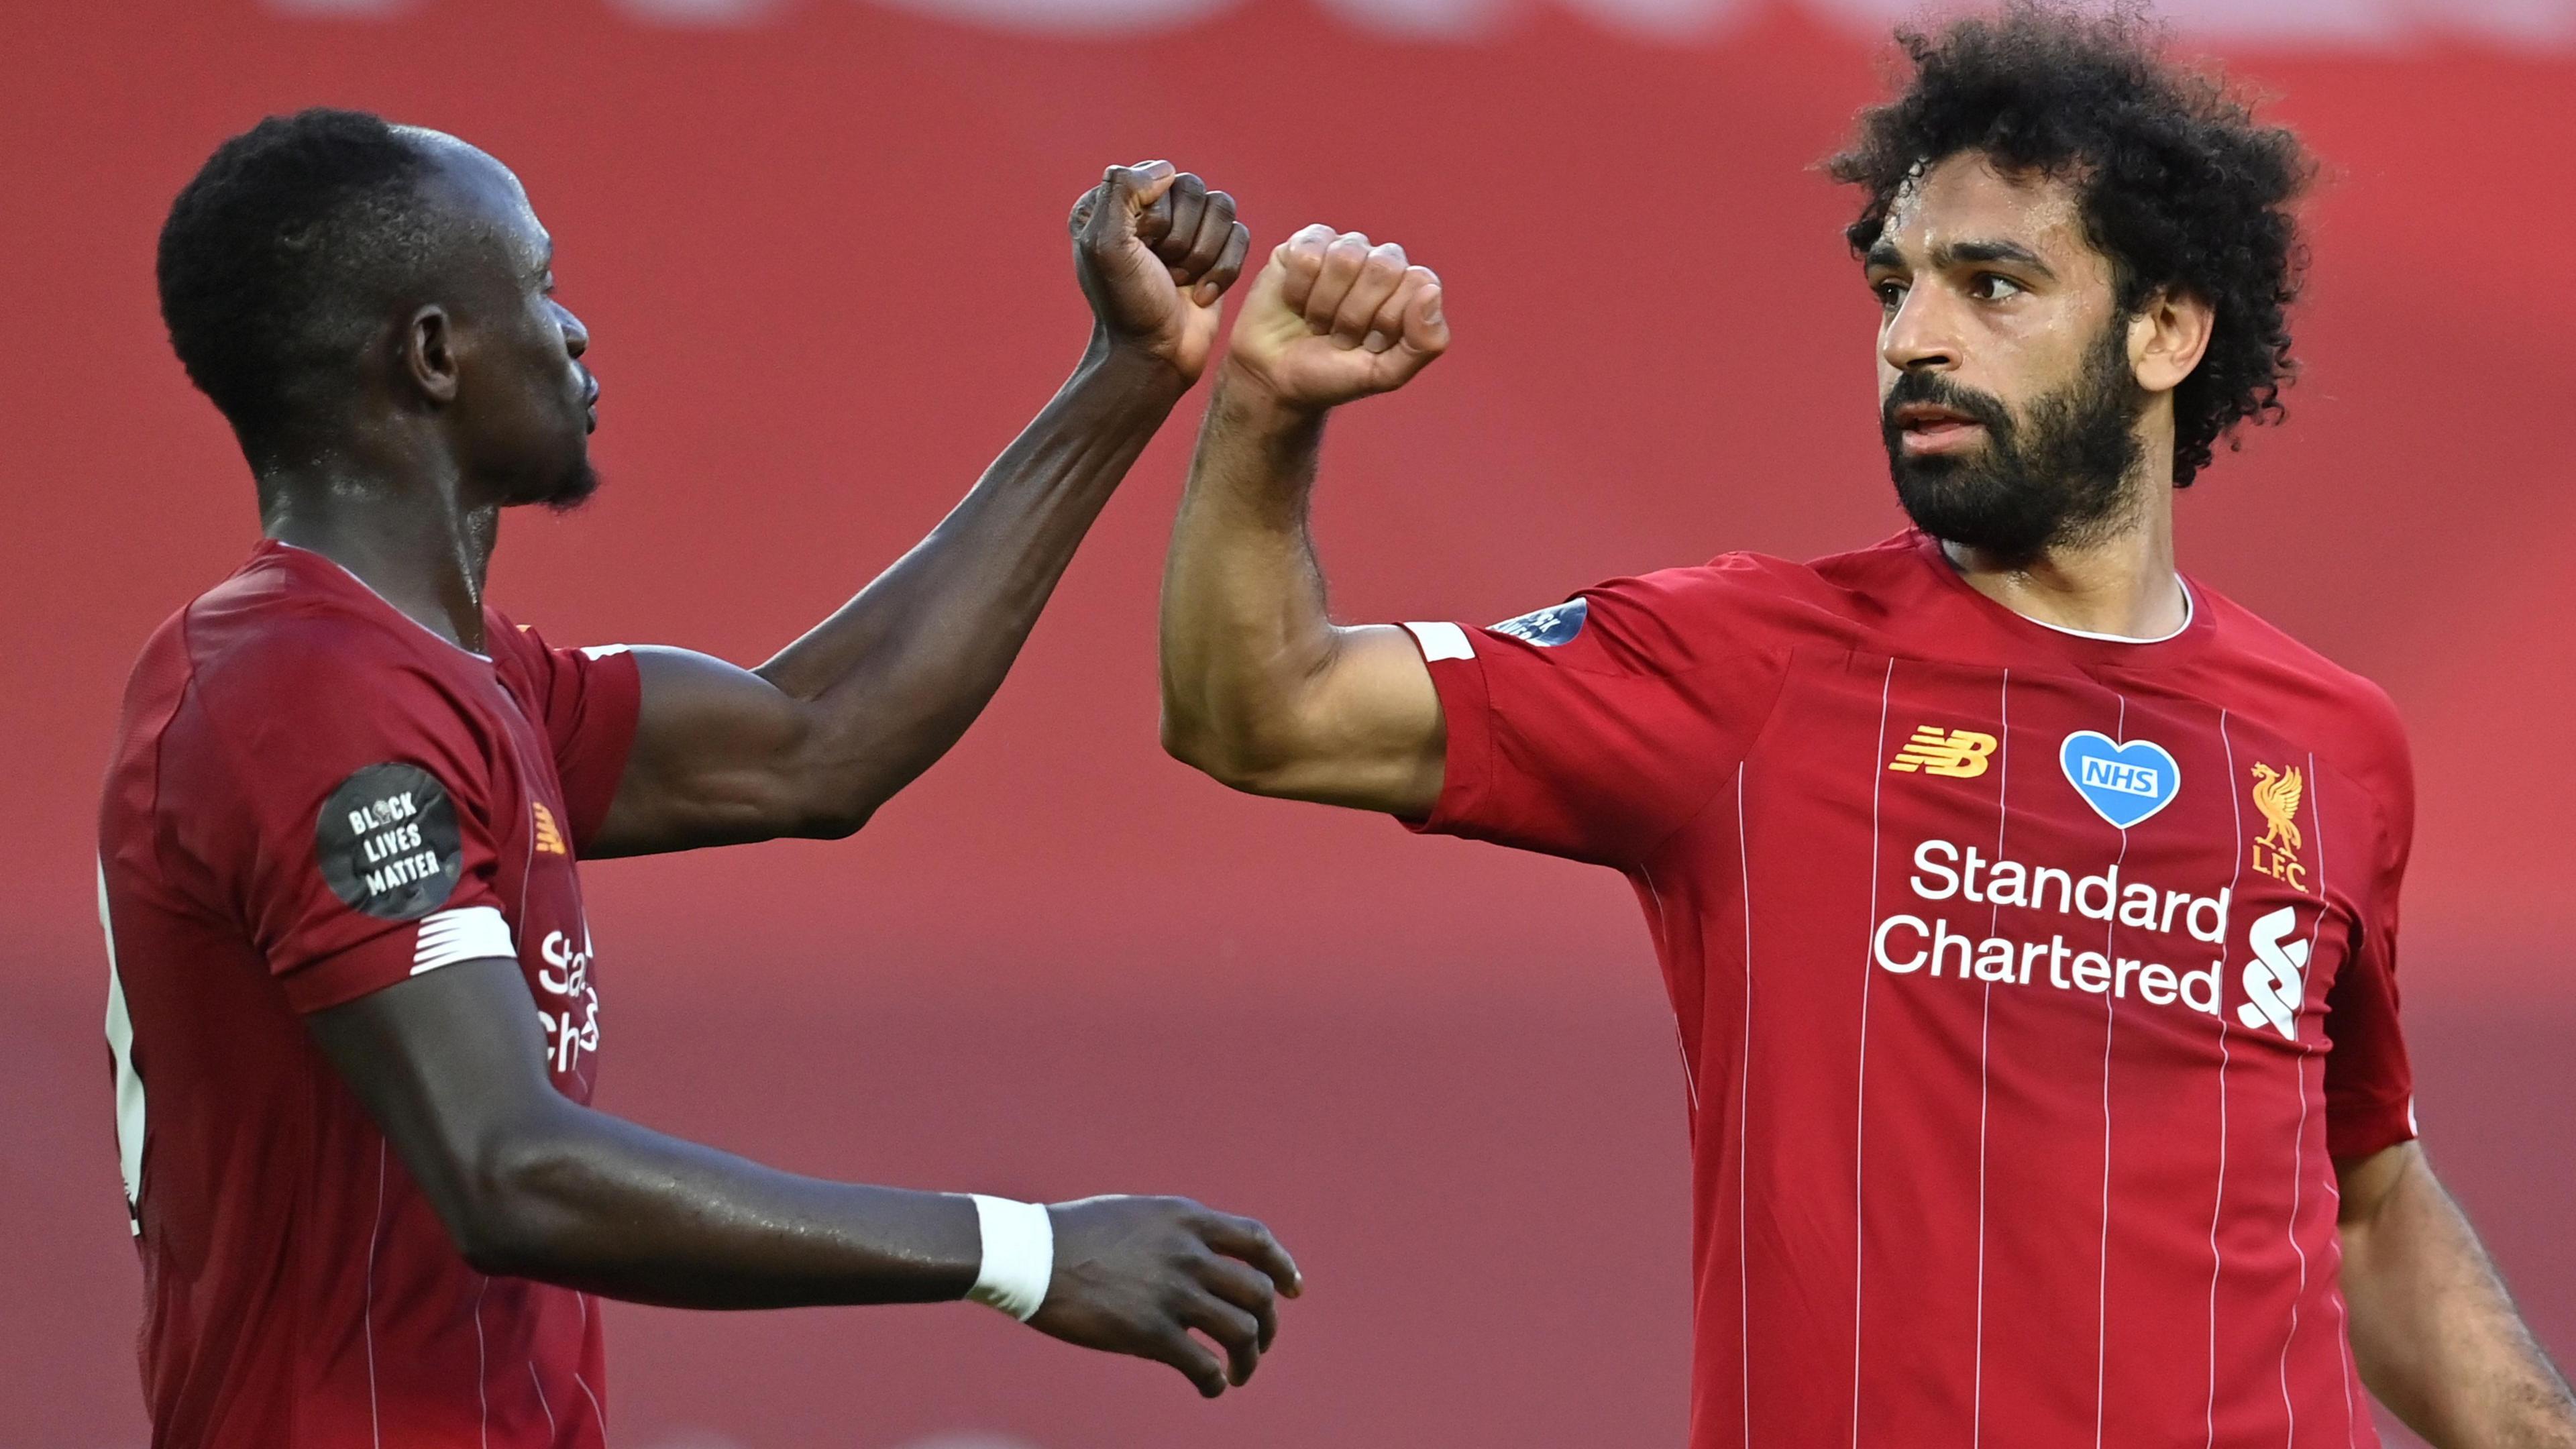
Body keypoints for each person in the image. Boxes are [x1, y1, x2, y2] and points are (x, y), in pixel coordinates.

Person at [1156, 6, 2575, 1446]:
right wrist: (1269, 410)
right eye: (1895, 286)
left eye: (1993, 284)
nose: (1915, 338)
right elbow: (1259, 711)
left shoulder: (2332, 744)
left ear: (2164, 327)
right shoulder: (1750, 669)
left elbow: (2368, 1193)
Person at [100, 108, 1298, 1448]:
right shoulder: (315, 700)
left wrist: (1129, 371)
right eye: (539, 285)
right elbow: (511, 1171)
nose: (572, 330)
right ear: (434, 354)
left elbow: (818, 738)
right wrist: (1019, 1252)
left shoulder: (438, 674)